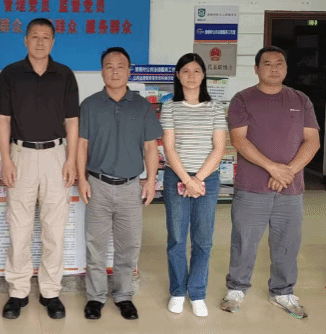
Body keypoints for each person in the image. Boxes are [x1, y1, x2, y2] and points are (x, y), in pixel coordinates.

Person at [221, 46, 319, 318]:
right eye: (267, 64)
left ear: (286, 68)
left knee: (287, 242)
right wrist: (273, 168)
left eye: (279, 63)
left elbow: (312, 141)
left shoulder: (300, 100)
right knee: (244, 240)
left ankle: (283, 291)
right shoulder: (243, 99)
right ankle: (236, 288)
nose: (274, 68)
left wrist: (288, 172)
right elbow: (239, 139)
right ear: (256, 69)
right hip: (252, 187)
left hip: (291, 189)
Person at [0, 18, 79, 320]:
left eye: (46, 37)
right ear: (25, 40)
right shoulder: (10, 74)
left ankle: (50, 292)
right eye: (34, 36)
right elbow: (3, 120)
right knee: (19, 228)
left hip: (56, 155)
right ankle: (18, 291)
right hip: (21, 156)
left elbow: (72, 121)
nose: (40, 42)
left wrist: (70, 159)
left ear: (53, 42)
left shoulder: (65, 75)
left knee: (54, 228)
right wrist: (6, 159)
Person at [76, 47, 162, 321]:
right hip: (97, 185)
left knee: (128, 247)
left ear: (129, 71)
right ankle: (95, 297)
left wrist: (151, 180)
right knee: (96, 246)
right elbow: (81, 145)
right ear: (102, 71)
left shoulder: (142, 106)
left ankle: (124, 296)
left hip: (130, 187)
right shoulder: (90, 105)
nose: (114, 71)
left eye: (120, 66)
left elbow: (151, 147)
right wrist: (82, 179)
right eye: (109, 66)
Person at [160, 53, 227, 317]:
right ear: (178, 75)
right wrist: (187, 180)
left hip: (207, 179)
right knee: (177, 238)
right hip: (177, 177)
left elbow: (219, 148)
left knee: (203, 239)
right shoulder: (170, 107)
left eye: (196, 70)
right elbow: (169, 147)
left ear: (203, 75)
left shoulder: (215, 107)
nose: (191, 75)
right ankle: (178, 291)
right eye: (185, 71)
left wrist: (198, 179)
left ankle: (197, 293)